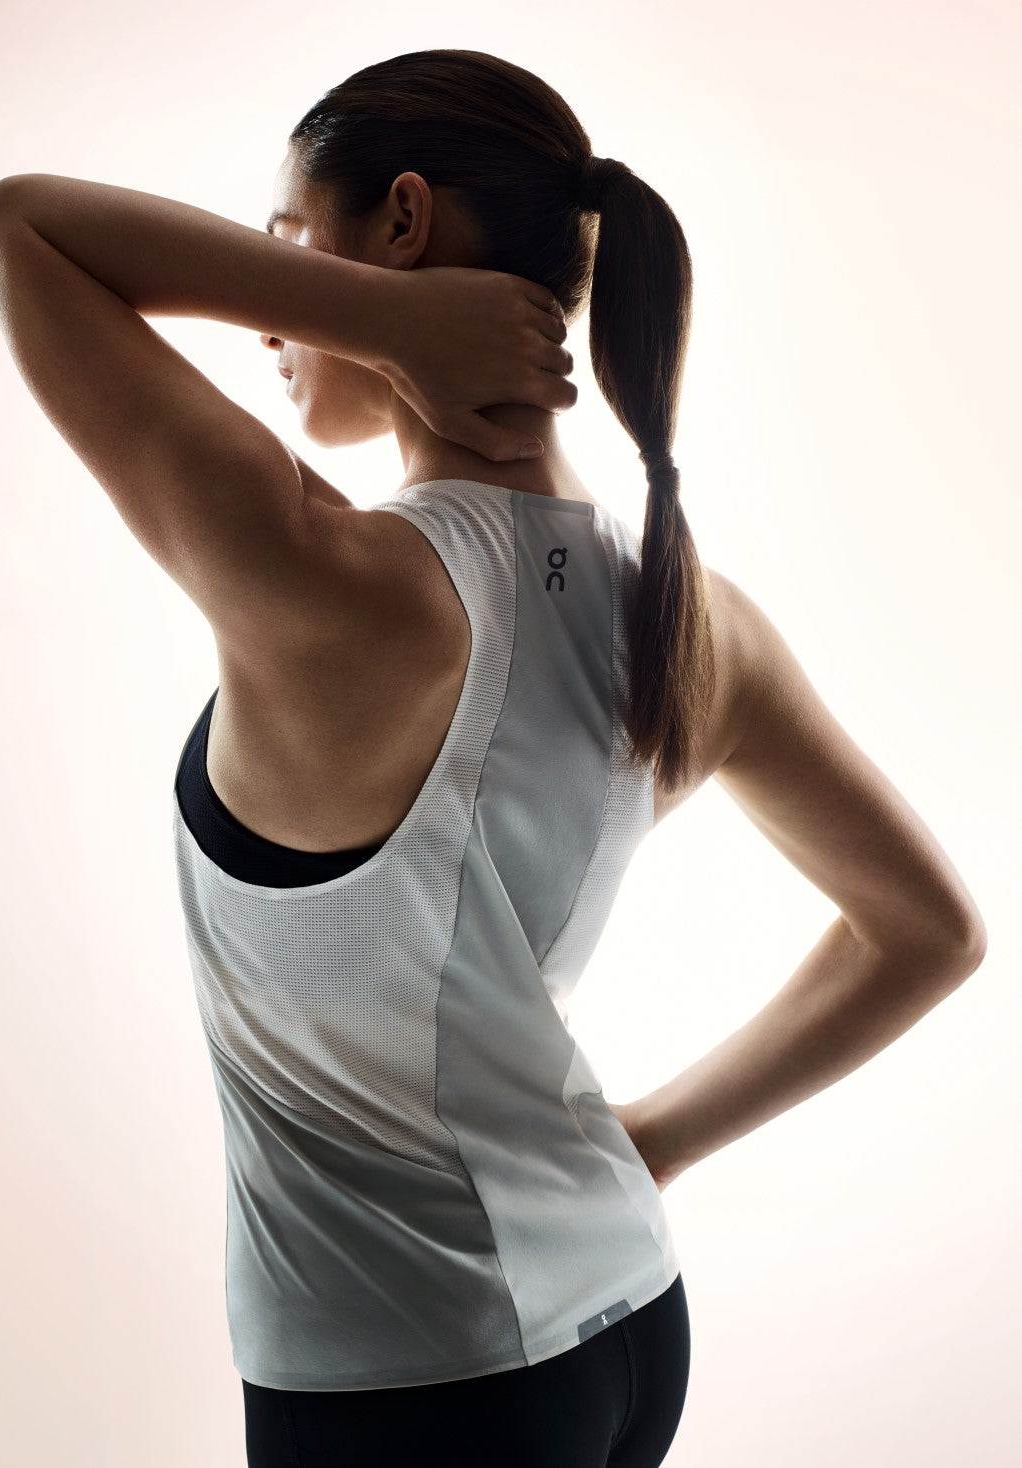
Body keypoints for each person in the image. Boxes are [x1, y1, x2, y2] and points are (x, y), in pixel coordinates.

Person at [174, 48, 986, 1468]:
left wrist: (374, 317)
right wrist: (649, 1142)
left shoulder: (338, 581)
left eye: (291, 247)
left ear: (403, 223)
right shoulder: (693, 617)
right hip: (625, 1318)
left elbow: (21, 231)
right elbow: (931, 931)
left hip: (409, 1378)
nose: (265, 315)